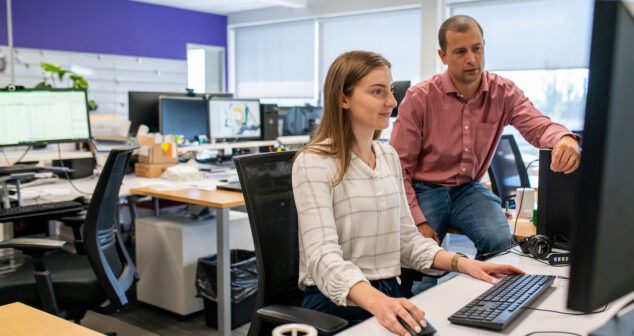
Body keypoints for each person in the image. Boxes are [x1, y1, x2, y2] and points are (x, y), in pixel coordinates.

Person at [292, 50, 524, 336]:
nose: (392, 101)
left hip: (389, 292)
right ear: (343, 99)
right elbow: (323, 259)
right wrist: (380, 303)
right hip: (336, 303)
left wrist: (466, 265)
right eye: (378, 92)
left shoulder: (387, 155)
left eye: (390, 90)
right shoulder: (313, 162)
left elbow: (407, 240)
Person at [389, 15, 581, 264]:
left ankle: (487, 297)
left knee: (501, 245)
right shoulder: (420, 97)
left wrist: (565, 139)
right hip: (424, 188)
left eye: (477, 48)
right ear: (443, 56)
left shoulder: (503, 92)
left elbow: (539, 126)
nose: (471, 59)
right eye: (460, 52)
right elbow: (397, 168)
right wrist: (418, 220)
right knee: (422, 258)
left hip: (467, 188)